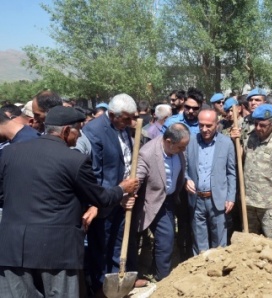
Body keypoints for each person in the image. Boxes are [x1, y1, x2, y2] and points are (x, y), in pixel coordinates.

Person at [0, 106, 138, 298]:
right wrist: (123, 188)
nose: (80, 136)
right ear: (66, 131)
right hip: (57, 253)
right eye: (78, 131)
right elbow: (101, 198)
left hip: (13, 250)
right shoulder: (74, 160)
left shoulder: (10, 153)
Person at [82, 93, 145, 293]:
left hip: (122, 198)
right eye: (126, 118)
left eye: (133, 117)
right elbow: (96, 174)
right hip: (104, 201)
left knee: (118, 243)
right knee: (101, 247)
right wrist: (114, 196)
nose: (131, 122)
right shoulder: (94, 132)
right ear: (111, 115)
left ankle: (119, 281)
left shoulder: (124, 128)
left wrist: (126, 194)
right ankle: (101, 288)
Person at [130, 123, 189, 281]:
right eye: (181, 147)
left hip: (169, 199)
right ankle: (162, 278)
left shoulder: (177, 150)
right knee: (165, 237)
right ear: (169, 141)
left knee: (166, 239)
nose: (183, 151)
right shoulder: (147, 153)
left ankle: (161, 275)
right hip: (149, 202)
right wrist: (129, 195)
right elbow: (137, 178)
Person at [185, 109, 236, 254]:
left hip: (218, 199)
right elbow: (184, 167)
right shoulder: (191, 141)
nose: (204, 129)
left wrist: (230, 197)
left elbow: (231, 173)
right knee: (199, 241)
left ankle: (218, 272)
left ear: (217, 124)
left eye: (208, 126)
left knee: (219, 241)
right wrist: (186, 179)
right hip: (197, 199)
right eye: (201, 125)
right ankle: (200, 271)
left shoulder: (226, 143)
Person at [240, 104, 272, 240]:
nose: (258, 128)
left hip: (269, 203)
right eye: (256, 124)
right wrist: (236, 139)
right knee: (250, 239)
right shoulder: (250, 137)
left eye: (262, 125)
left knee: (271, 239)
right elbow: (241, 159)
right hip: (249, 201)